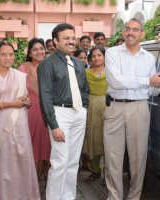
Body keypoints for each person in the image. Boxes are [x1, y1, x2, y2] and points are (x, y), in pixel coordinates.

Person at [103, 18, 160, 200]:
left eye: (135, 29)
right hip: (116, 108)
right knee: (113, 158)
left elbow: (151, 91)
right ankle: (114, 197)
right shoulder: (111, 54)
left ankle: (134, 197)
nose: (130, 32)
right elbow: (116, 82)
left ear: (142, 34)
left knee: (138, 158)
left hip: (140, 108)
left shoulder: (149, 58)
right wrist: (147, 81)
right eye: (127, 29)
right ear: (123, 33)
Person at [37, 23, 90, 200]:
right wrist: (53, 124)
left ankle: (68, 197)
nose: (71, 41)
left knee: (74, 161)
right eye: (66, 38)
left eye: (73, 38)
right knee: (60, 162)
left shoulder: (77, 62)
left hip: (78, 114)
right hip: (59, 114)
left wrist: (84, 108)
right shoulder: (47, 64)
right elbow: (45, 97)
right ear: (55, 41)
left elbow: (84, 88)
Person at [0, 41, 40, 200]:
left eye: (11, 54)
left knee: (18, 161)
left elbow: (24, 98)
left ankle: (21, 195)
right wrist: (11, 104)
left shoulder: (19, 76)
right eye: (3, 54)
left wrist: (26, 101)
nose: (8, 57)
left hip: (18, 127)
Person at [18, 38, 51, 182]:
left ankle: (50, 185)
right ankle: (32, 184)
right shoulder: (23, 69)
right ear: (30, 53)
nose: (39, 52)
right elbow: (17, 91)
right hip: (31, 113)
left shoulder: (50, 66)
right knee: (32, 147)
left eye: (41, 48)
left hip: (49, 112)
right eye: (35, 49)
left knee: (49, 146)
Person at [82, 46, 107, 181]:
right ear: (90, 59)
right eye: (94, 56)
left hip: (108, 108)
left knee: (107, 140)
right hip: (91, 109)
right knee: (92, 139)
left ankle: (108, 172)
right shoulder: (86, 73)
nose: (96, 58)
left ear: (104, 57)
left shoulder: (111, 72)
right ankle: (96, 170)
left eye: (99, 55)